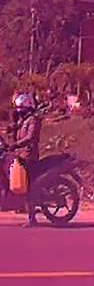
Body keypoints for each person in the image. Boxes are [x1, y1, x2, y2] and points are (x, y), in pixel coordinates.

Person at [3, 92, 41, 226]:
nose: (19, 111)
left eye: (21, 108)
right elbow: (15, 128)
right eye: (18, 108)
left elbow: (30, 137)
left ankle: (32, 218)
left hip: (29, 155)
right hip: (20, 153)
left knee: (25, 183)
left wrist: (15, 145)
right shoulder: (23, 120)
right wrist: (9, 129)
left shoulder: (33, 120)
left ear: (28, 107)